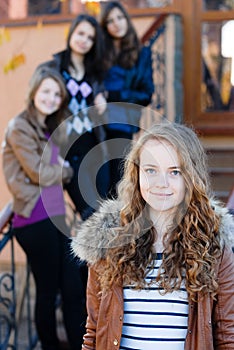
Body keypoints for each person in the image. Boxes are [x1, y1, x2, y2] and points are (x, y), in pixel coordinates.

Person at [72, 122, 234, 350]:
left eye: (174, 172)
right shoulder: (108, 241)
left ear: (191, 177)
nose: (162, 184)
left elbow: (228, 337)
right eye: (151, 170)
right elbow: (94, 332)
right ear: (136, 173)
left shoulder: (215, 248)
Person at [2, 66, 87, 350]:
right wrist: (63, 170)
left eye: (56, 94)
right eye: (46, 91)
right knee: (48, 291)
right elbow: (41, 174)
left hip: (54, 215)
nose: (51, 98)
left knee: (73, 286)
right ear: (34, 91)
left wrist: (59, 169)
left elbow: (45, 173)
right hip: (34, 220)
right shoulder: (19, 127)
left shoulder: (47, 127)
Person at [39, 13, 109, 220]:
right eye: (81, 34)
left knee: (103, 211)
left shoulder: (94, 71)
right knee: (89, 214)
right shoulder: (54, 68)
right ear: (71, 33)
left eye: (90, 38)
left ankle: (103, 253)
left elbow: (101, 92)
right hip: (68, 152)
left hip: (95, 148)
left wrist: (102, 96)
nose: (84, 41)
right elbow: (42, 104)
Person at [100, 1, 154, 196]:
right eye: (110, 21)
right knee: (96, 178)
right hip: (96, 121)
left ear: (126, 19)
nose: (116, 24)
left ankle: (115, 222)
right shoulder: (100, 53)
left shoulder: (142, 54)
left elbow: (146, 93)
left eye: (120, 18)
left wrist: (114, 96)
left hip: (122, 122)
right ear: (105, 27)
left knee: (116, 181)